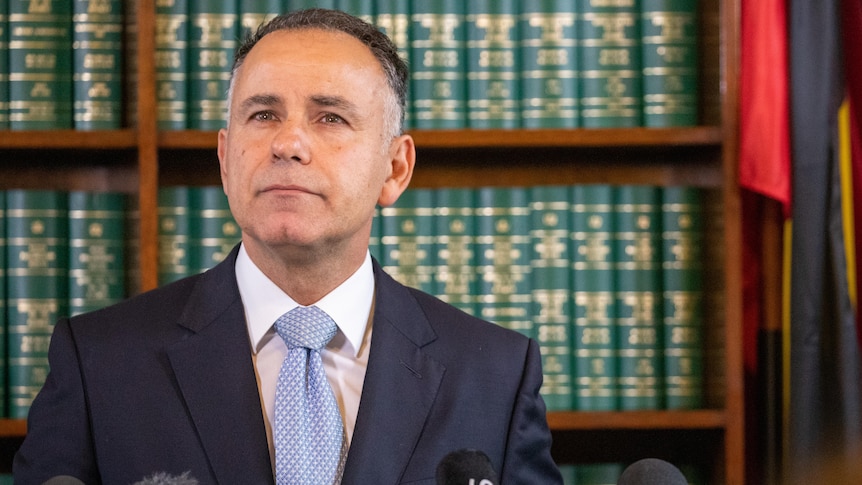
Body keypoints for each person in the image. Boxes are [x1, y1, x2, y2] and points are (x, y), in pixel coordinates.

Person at [14, 8, 563, 485]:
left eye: (330, 117)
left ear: (395, 168)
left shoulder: (495, 375)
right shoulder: (100, 362)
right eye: (263, 114)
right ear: (226, 160)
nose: (289, 143)